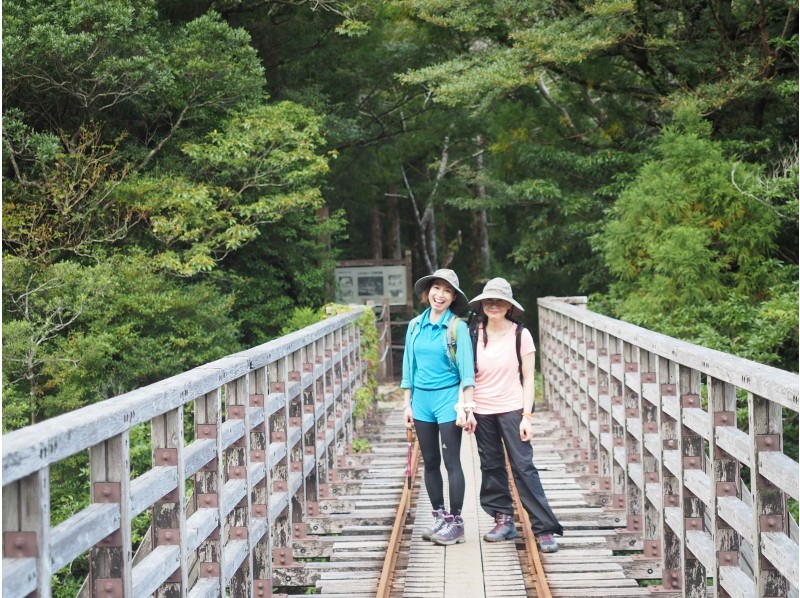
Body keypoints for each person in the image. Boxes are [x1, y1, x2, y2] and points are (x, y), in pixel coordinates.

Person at [467, 277, 563, 553]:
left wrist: (527, 416)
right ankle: (503, 519)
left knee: (524, 467)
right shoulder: (473, 333)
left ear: (509, 306)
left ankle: (544, 528)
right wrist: (468, 408)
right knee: (491, 465)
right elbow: (466, 375)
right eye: (489, 301)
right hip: (482, 410)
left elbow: (529, 378)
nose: (493, 305)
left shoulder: (521, 334)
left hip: (512, 408)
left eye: (499, 301)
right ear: (482, 305)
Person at [401, 268, 475, 546]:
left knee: (451, 461)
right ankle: (439, 517)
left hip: (447, 401)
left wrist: (466, 406)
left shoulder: (457, 327)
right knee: (429, 462)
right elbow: (409, 367)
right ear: (427, 291)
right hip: (421, 401)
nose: (440, 295)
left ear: (453, 297)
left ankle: (456, 522)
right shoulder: (415, 325)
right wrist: (406, 403)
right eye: (436, 288)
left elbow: (467, 371)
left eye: (446, 290)